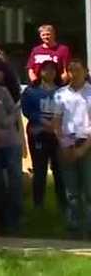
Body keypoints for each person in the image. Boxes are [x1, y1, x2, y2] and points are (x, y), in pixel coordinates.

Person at [52, 58, 91, 239]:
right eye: (71, 70)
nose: (74, 74)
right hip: (67, 144)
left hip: (87, 144)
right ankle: (74, 228)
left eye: (78, 70)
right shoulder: (60, 94)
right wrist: (64, 144)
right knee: (71, 191)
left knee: (89, 190)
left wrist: (83, 149)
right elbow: (57, 122)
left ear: (86, 71)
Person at [0, 63, 24, 234]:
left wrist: (6, 123)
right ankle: (1, 221)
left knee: (15, 180)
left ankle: (15, 221)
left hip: (10, 143)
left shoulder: (1, 91)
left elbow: (14, 111)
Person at [22, 60, 66, 209]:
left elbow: (67, 111)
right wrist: (42, 122)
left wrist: (55, 126)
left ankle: (63, 204)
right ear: (40, 72)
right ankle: (38, 205)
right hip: (38, 134)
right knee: (39, 170)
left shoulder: (63, 91)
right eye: (46, 70)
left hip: (57, 135)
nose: (50, 72)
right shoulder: (31, 91)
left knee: (59, 170)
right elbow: (27, 110)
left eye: (53, 70)